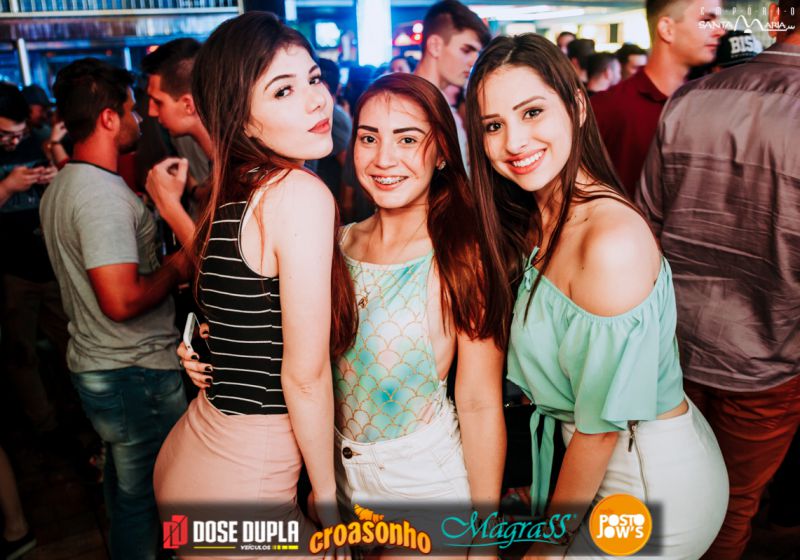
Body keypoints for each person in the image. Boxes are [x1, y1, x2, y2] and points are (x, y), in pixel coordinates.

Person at [465, 33, 728, 558]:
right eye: (494, 125)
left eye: (532, 112)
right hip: (594, 468)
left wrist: (546, 546)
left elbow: (600, 432)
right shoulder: (539, 217)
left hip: (645, 484)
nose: (514, 141)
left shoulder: (610, 243)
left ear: (578, 107)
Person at [155, 13, 357, 556]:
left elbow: (234, 310)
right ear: (242, 121)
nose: (316, 101)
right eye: (283, 90)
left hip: (192, 457)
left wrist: (202, 348)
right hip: (243, 479)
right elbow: (305, 376)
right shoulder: (298, 192)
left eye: (314, 78)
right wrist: (328, 497)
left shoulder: (235, 190)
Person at [637, 2, 799, 557]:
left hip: (674, 350)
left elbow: (647, 228)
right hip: (768, 362)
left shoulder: (691, 98)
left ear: (776, 15)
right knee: (731, 508)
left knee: (666, 496)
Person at [333, 72, 505, 553]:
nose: (383, 158)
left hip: (422, 483)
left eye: (407, 139)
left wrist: (486, 538)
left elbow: (479, 401)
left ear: (443, 152)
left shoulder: (461, 256)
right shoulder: (336, 242)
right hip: (339, 480)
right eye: (369, 138)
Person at [40, 58, 189, 560]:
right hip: (133, 371)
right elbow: (121, 300)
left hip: (106, 365)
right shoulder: (99, 196)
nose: (139, 119)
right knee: (146, 497)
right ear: (108, 118)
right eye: (130, 110)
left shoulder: (66, 183)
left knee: (128, 489)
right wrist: (176, 265)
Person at [591, 0, 725, 197]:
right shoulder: (607, 108)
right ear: (667, 29)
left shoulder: (709, 104)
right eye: (706, 20)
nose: (720, 30)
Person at [0, 82, 67, 439]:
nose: (14, 141)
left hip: (50, 266)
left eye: (19, 133)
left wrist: (53, 178)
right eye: (5, 135)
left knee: (70, 344)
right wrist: (7, 187)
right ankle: (45, 426)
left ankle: (81, 416)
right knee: (21, 353)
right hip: (11, 273)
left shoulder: (35, 143)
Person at [141, 37, 213, 247]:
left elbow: (217, 264)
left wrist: (168, 204)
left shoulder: (239, 166)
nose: (151, 112)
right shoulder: (221, 162)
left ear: (188, 105)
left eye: (158, 102)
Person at [413, 0, 490, 167]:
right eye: (466, 50)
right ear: (435, 46)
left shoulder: (444, 107)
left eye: (477, 53)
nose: (473, 61)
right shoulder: (407, 105)